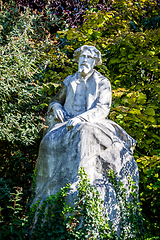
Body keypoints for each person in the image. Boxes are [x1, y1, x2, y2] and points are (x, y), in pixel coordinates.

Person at [34, 45, 137, 207]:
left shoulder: (102, 82)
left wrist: (81, 119)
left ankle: (81, 179)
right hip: (65, 123)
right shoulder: (69, 81)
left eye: (89, 57)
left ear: (95, 61)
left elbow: (102, 108)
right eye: (82, 56)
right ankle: (44, 189)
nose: (85, 60)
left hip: (93, 123)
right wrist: (56, 107)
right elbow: (55, 100)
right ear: (77, 59)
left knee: (85, 132)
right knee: (48, 140)